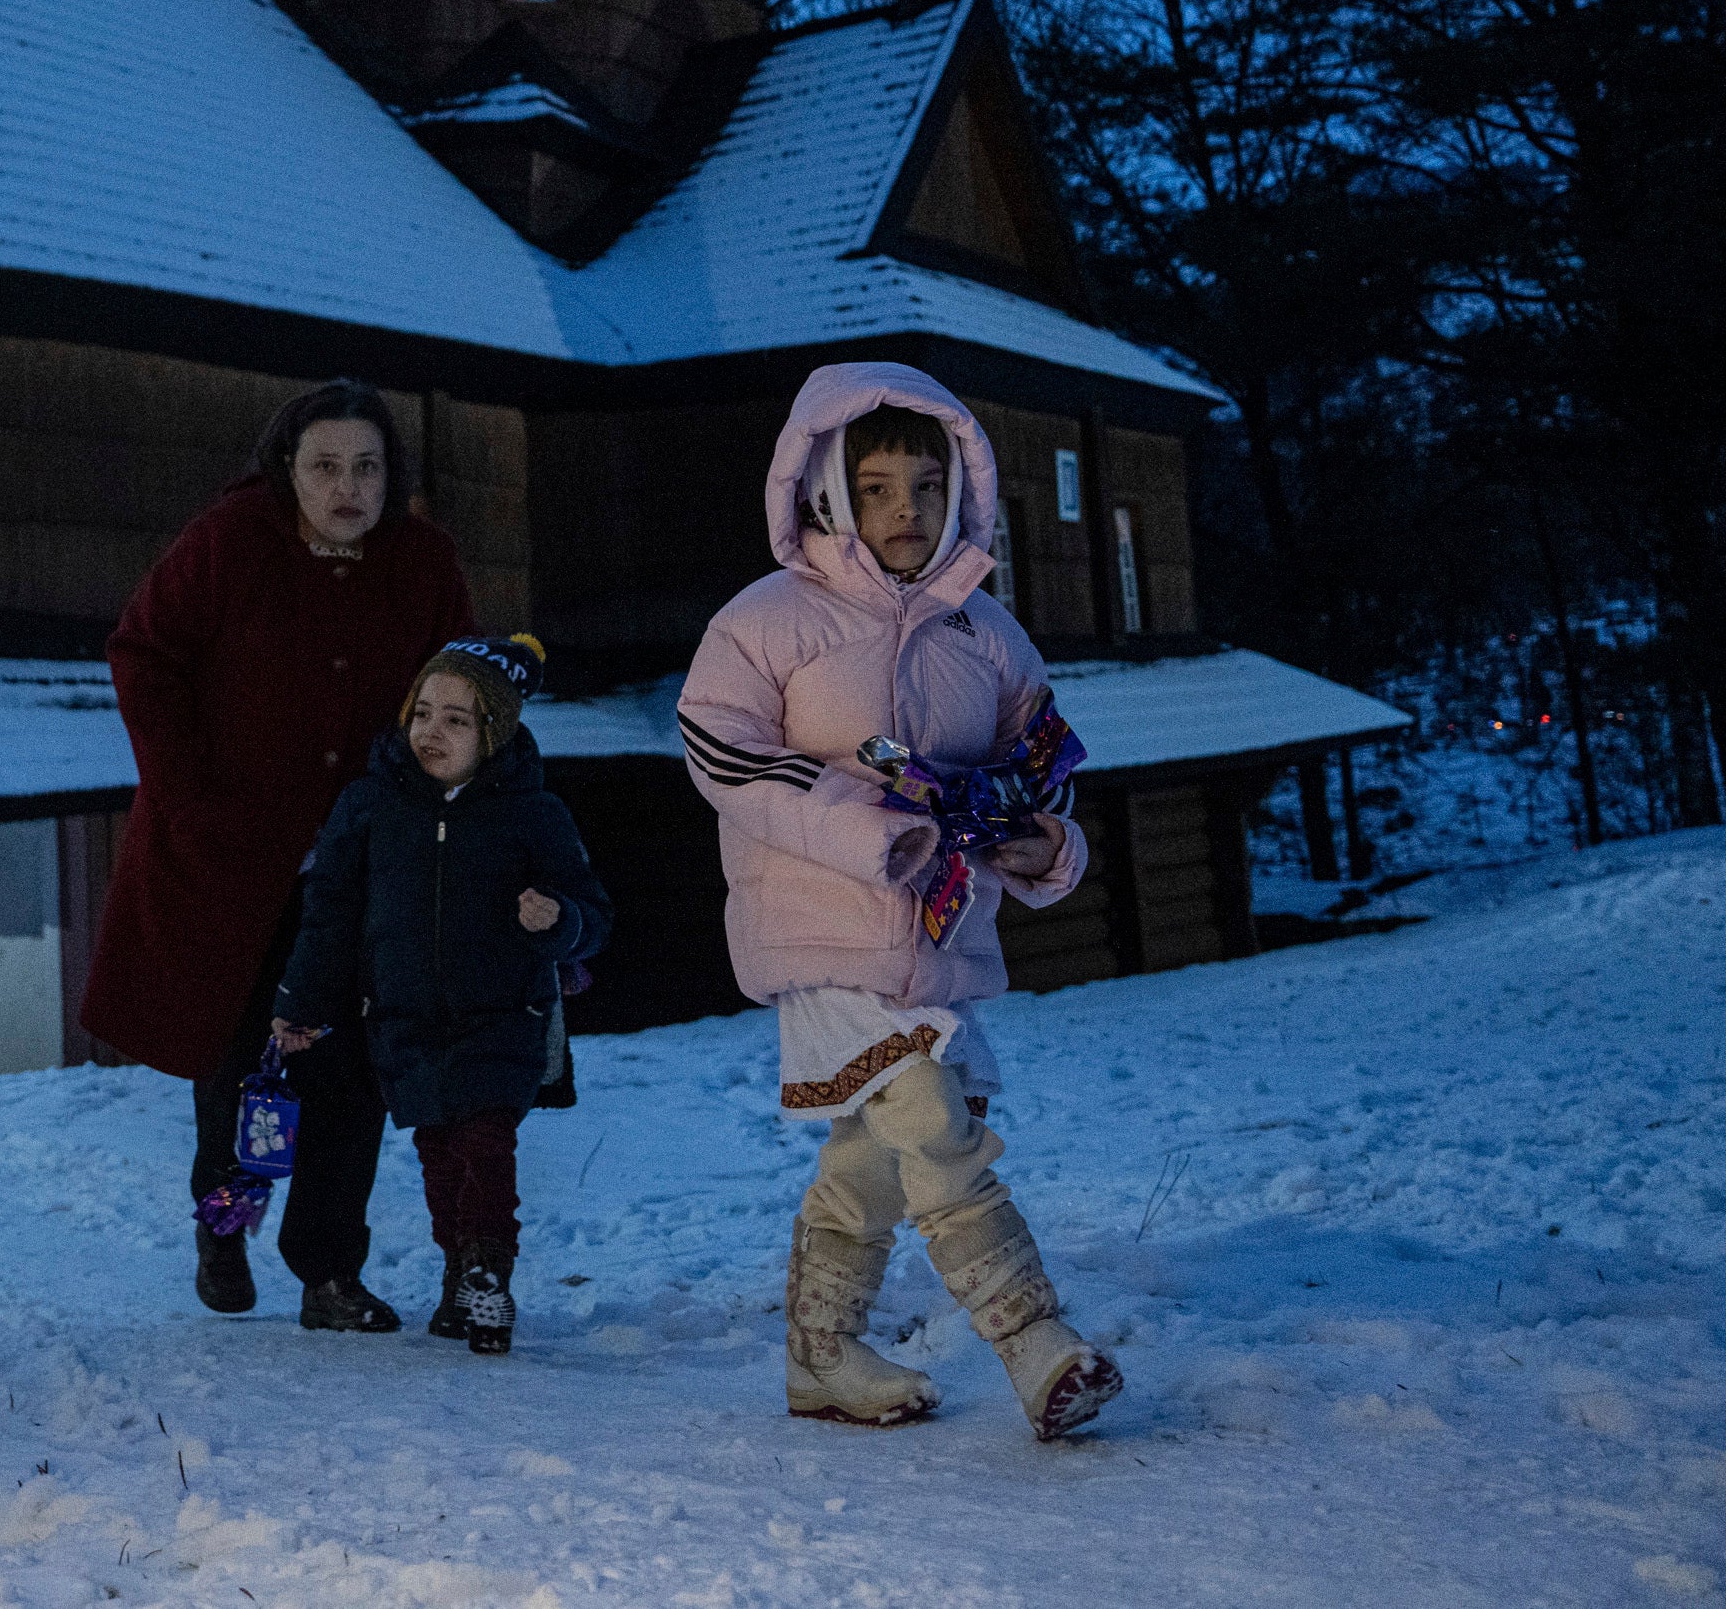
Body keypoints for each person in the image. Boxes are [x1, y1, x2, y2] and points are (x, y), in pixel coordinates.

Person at [679, 359, 1124, 1441]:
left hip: (940, 940)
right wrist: (878, 832)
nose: (905, 511)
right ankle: (1032, 1342)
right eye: (876, 487)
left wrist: (1036, 835)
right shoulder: (765, 620)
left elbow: (1040, 759)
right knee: (929, 1118)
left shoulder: (986, 631)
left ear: (959, 491)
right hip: (821, 934)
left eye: (926, 486)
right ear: (828, 486)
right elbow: (717, 750)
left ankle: (818, 1357)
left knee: (878, 1152)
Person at [78, 379, 476, 1331]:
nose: (348, 487)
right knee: (243, 1060)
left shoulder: (423, 562)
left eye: (368, 466)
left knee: (353, 1071)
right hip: (233, 865)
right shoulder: (228, 545)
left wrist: (438, 810)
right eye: (326, 466)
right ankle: (225, 1221)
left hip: (361, 870)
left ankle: (328, 1271)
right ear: (285, 469)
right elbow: (142, 653)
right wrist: (191, 794)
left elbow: (462, 688)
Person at [271, 633, 609, 1355]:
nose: (431, 730)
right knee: (440, 1153)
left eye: (456, 718)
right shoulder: (369, 805)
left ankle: (489, 1266)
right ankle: (460, 1272)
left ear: (496, 731)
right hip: (402, 1020)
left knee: (488, 1142)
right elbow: (328, 913)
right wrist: (299, 999)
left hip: (504, 1017)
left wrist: (558, 918)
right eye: (422, 711)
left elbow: (593, 917)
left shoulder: (533, 813)